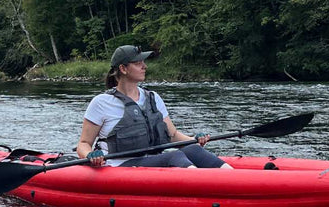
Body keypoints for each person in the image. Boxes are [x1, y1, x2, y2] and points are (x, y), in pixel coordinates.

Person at [76, 44, 232, 169]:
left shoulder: (153, 98)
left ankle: (231, 178)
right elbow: (83, 144)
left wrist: (195, 140)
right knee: (174, 156)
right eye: (138, 63)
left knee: (193, 149)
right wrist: (90, 155)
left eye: (143, 62)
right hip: (120, 166)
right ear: (123, 69)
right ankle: (206, 186)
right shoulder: (101, 102)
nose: (145, 66)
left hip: (149, 161)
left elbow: (173, 135)